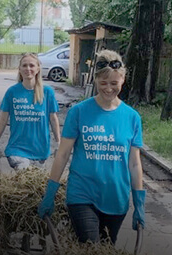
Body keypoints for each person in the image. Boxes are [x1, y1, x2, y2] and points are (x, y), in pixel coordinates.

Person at [38, 49, 145, 244]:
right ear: (95, 80)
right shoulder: (79, 112)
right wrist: (50, 193)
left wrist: (139, 203)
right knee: (90, 249)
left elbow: (135, 164)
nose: (108, 88)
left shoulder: (132, 118)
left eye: (114, 83)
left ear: (122, 80)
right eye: (103, 83)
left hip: (116, 198)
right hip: (82, 193)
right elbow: (62, 155)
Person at [0, 53, 61, 170]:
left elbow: (53, 119)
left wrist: (59, 143)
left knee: (34, 186)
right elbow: (3, 119)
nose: (28, 69)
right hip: (17, 149)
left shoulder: (47, 92)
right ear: (19, 69)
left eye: (32, 65)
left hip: (40, 149)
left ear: (38, 69)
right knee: (24, 172)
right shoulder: (12, 92)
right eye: (24, 65)